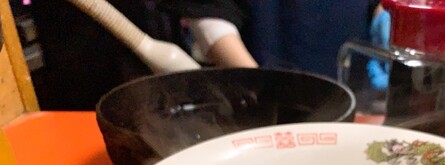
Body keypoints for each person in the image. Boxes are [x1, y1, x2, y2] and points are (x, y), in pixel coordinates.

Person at [157, 0, 383, 80]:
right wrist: (261, 85)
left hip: (359, 87)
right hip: (262, 82)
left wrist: (385, 16)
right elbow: (209, 12)